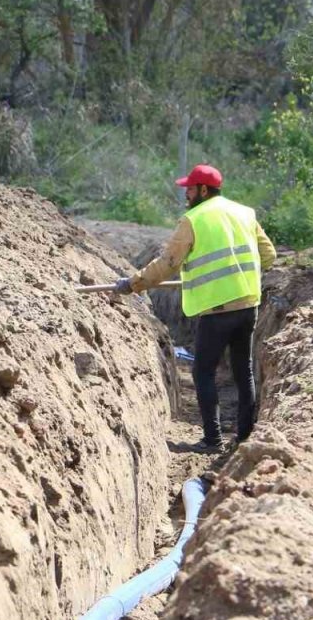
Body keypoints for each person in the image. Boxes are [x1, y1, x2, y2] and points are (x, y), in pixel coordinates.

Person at [115, 163, 276, 452]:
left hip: (216, 310)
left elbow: (168, 264)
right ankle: (244, 438)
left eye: (189, 188)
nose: (186, 194)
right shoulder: (245, 213)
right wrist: (240, 272)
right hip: (248, 304)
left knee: (203, 372)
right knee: (244, 371)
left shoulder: (193, 220)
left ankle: (212, 440)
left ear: (203, 189)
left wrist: (133, 283)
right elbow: (269, 254)